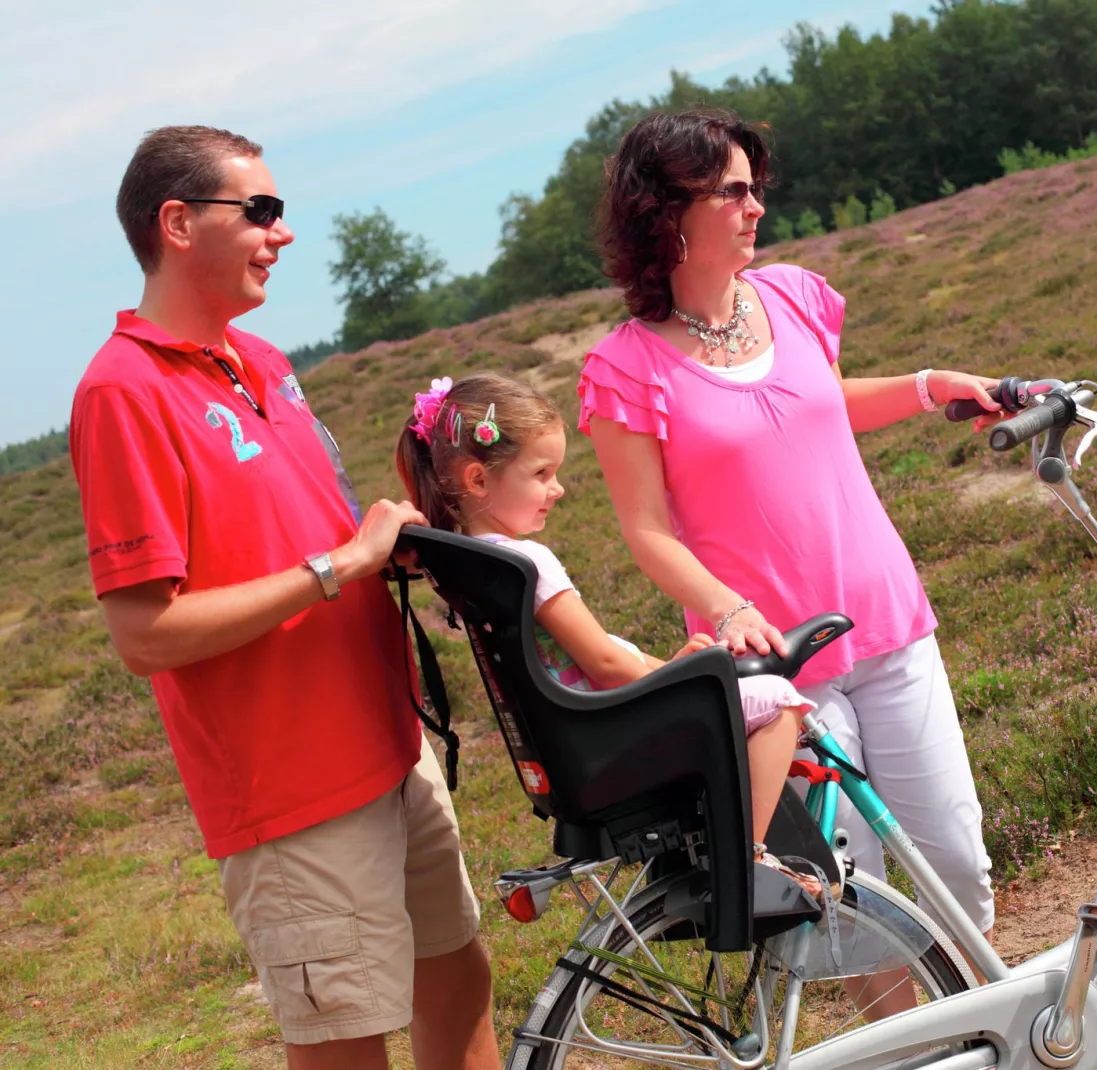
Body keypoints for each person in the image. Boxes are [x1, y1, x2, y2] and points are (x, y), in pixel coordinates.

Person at [69, 126, 498, 1070]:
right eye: (259, 210)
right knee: (345, 1043)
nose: (283, 231)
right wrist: (338, 569)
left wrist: (403, 551)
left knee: (460, 979)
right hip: (292, 790)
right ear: (177, 224)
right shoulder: (123, 392)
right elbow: (145, 634)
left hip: (391, 747)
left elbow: (313, 537)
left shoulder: (260, 361)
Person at [579, 108, 1004, 963]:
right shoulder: (625, 367)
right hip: (774, 670)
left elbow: (822, 406)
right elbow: (646, 530)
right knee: (851, 891)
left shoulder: (794, 296)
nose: (755, 207)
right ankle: (908, 1056)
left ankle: (982, 1021)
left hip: (885, 619)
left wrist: (928, 384)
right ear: (667, 212)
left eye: (755, 187)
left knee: (956, 857)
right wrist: (725, 607)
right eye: (732, 190)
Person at [394, 372, 829, 895]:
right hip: (615, 729)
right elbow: (601, 662)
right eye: (541, 472)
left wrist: (667, 671)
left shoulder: (472, 561)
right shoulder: (528, 561)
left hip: (582, 737)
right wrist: (675, 678)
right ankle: (749, 860)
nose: (557, 488)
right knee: (779, 703)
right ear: (478, 480)